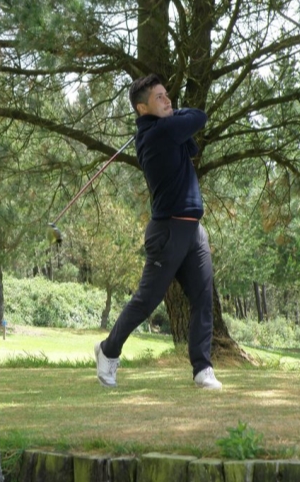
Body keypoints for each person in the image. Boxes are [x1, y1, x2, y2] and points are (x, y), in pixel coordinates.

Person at [94, 74, 222, 390]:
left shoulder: (163, 129)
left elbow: (190, 144)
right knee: (146, 301)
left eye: (168, 95)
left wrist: (168, 115)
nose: (168, 101)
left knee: (203, 299)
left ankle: (202, 368)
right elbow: (199, 117)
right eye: (160, 98)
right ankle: (107, 351)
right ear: (142, 109)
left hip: (193, 230)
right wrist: (173, 116)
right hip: (168, 231)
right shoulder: (158, 134)